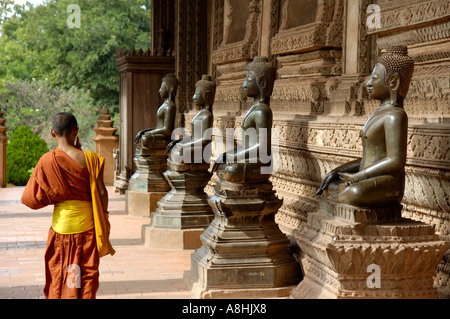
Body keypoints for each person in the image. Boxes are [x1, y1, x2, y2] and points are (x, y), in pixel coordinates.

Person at [21, 112, 115, 299]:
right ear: (76, 131)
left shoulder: (47, 160)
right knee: (86, 273)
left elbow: (29, 198)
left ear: (52, 133)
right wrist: (103, 216)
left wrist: (55, 195)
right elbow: (103, 192)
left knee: (63, 273)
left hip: (61, 229)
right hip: (88, 227)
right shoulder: (91, 159)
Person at [316, 46, 415, 208]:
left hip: (388, 183)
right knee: (331, 185)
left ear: (393, 81)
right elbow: (370, 157)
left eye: (374, 78)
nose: (368, 83)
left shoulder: (395, 115)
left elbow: (396, 160)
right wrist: (338, 171)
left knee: (355, 192)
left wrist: (360, 176)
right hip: (368, 178)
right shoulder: (378, 113)